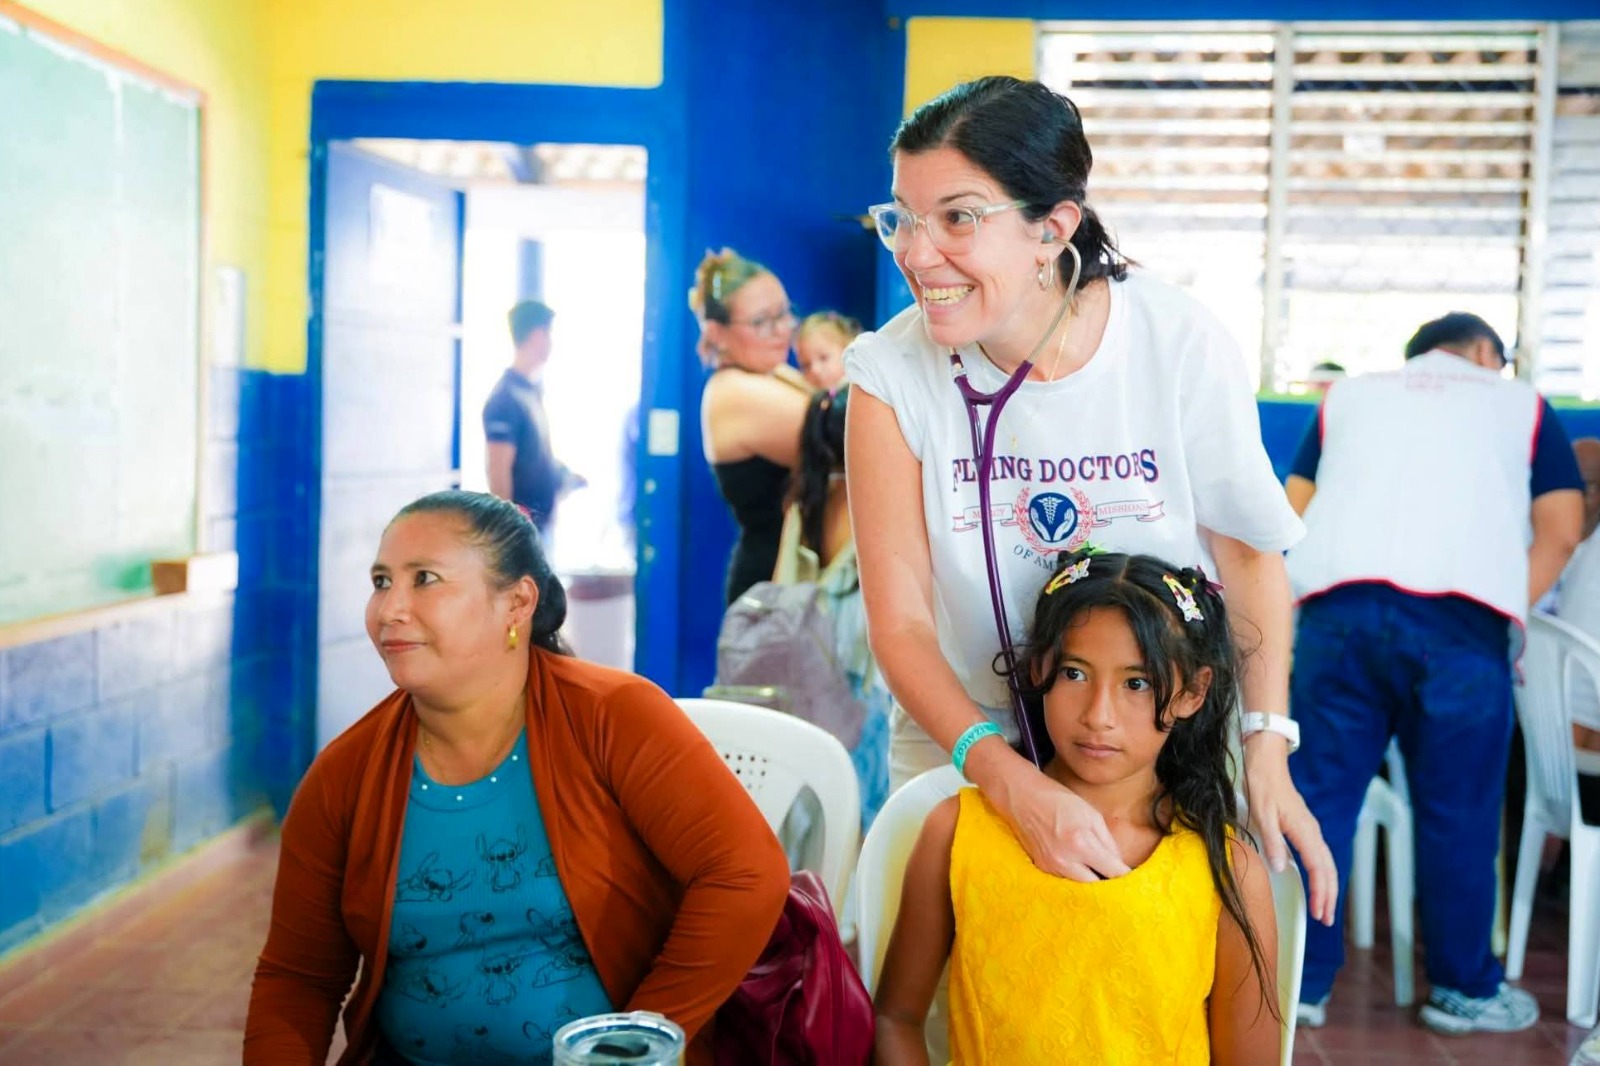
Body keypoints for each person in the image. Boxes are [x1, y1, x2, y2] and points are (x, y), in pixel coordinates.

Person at [843, 76, 1335, 906]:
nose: (916, 252)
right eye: (904, 216)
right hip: (963, 745)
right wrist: (1010, 780)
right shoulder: (889, 376)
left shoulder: (1175, 342)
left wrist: (1264, 741)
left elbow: (1249, 551)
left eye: (957, 218)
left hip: (1154, 753)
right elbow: (901, 623)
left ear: (1054, 227)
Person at [244, 490, 789, 1066]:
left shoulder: (615, 717)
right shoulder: (344, 777)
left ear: (517, 602)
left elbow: (743, 874)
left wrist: (636, 1043)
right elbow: (296, 978)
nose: (389, 610)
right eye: (381, 582)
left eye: (424, 579)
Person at [1284, 312, 1584, 1035]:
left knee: (1318, 801)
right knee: (1460, 813)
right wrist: (1503, 611)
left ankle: (1299, 982)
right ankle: (1463, 991)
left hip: (1338, 617)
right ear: (1486, 354)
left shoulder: (1347, 397)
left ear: (1416, 355)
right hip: (1461, 626)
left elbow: (1290, 512)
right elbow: (1565, 527)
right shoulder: (1523, 403)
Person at [873, 549, 1280, 1064]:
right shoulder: (957, 832)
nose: (1099, 715)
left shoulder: (1227, 870)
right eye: (1073, 673)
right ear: (1040, 667)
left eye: (1137, 683)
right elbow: (896, 1018)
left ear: (1193, 692)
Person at [774, 388, 891, 828]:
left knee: (811, 784)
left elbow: (780, 583)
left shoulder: (805, 500)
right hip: (861, 659)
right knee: (866, 783)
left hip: (806, 656)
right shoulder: (876, 498)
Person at [690, 248, 811, 604]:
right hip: (770, 587)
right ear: (718, 332)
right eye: (761, 322)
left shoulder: (775, 372)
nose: (782, 331)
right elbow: (846, 433)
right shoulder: (730, 392)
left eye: (784, 314)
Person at [483, 300, 583, 534]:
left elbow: (534, 456)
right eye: (548, 333)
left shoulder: (530, 391)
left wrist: (562, 475)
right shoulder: (505, 399)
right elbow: (498, 471)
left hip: (540, 526)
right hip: (523, 533)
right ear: (537, 336)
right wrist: (508, 534)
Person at [794, 310, 862, 393]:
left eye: (823, 358)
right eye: (806, 365)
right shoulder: (813, 397)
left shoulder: (859, 388)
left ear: (847, 350)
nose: (815, 370)